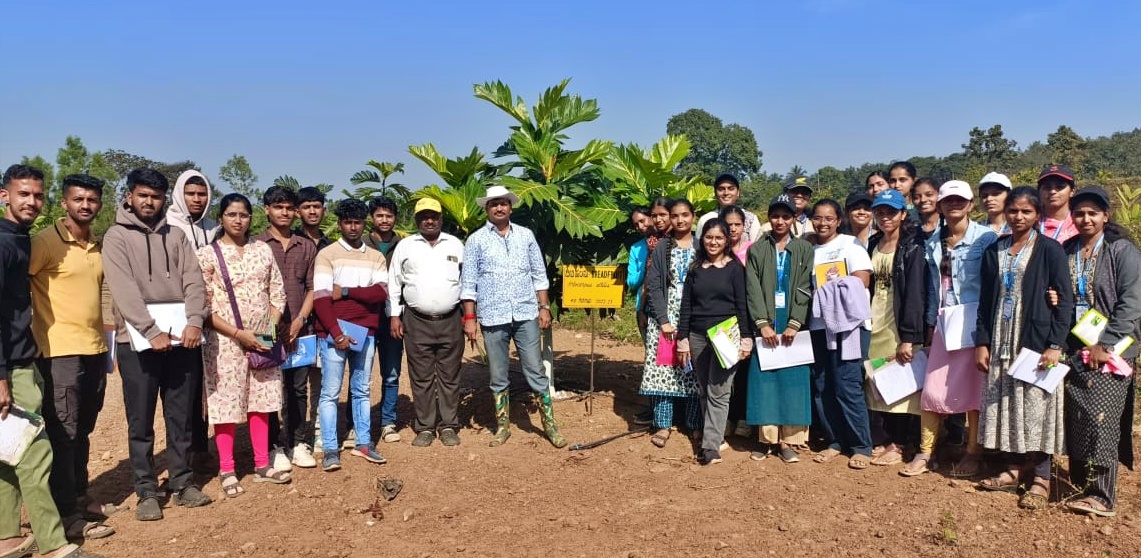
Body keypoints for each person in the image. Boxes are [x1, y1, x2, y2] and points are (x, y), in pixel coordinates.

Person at [1, 164, 105, 558]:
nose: (31, 201)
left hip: (85, 349)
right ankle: (59, 527)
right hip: (41, 356)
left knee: (70, 434)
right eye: (23, 194)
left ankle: (66, 504)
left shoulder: (91, 243)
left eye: (36, 195)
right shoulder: (30, 242)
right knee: (48, 443)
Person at [101, 168, 214, 520]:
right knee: (141, 419)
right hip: (136, 343)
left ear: (165, 198)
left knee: (180, 416)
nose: (150, 201)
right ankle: (147, 489)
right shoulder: (116, 237)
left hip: (182, 340)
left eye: (156, 196)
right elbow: (123, 290)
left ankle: (181, 482)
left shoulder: (177, 236)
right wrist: (150, 331)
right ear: (130, 196)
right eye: (143, 195)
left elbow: (193, 280)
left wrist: (195, 321)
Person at [974, 187, 1072, 509]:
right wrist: (982, 341)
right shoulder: (995, 250)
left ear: (1037, 215)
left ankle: (1041, 477)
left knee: (1037, 407)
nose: (1018, 217)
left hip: (1035, 340)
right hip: (1002, 339)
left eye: (1026, 212)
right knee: (1006, 404)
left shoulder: (1050, 250)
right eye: (1013, 211)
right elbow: (986, 300)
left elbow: (1065, 300)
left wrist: (1056, 344)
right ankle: (1012, 468)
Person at [28, 174, 115, 540]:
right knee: (63, 432)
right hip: (59, 350)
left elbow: (104, 291)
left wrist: (108, 339)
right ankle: (65, 514)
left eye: (92, 200)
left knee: (84, 429)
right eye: (78, 199)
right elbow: (17, 287)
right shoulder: (45, 243)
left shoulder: (96, 243)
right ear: (63, 203)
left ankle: (79, 494)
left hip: (94, 348)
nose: (85, 205)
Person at [197, 194, 292, 497]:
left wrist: (267, 330)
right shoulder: (207, 255)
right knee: (225, 403)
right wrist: (239, 334)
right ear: (221, 217)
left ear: (252, 218)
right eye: (231, 214)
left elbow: (277, 292)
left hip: (262, 339)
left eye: (244, 215)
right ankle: (227, 468)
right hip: (224, 343)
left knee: (261, 401)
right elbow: (204, 306)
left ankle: (262, 463)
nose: (238, 220)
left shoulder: (262, 250)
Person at [461, 186, 566, 448]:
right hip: (493, 315)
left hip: (525, 312)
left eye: (503, 203)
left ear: (510, 207)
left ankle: (550, 425)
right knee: (498, 374)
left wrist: (544, 307)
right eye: (494, 204)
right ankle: (502, 427)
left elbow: (538, 274)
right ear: (486, 209)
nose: (499, 208)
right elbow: (469, 283)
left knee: (534, 369)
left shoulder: (526, 236)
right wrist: (470, 318)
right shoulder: (476, 240)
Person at [1058, 186, 1140, 517]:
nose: (1086, 218)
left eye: (1093, 212)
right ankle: (1081, 483)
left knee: (1101, 417)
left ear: (1106, 215)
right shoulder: (1067, 250)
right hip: (1077, 345)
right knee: (1076, 414)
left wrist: (1106, 343)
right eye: (1079, 213)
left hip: (1114, 347)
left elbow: (1131, 302)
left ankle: (1102, 495)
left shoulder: (1122, 251)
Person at [908, 180, 997, 477]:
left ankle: (973, 453)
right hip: (945, 323)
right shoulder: (933, 241)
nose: (954, 206)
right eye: (949, 201)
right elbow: (934, 289)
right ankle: (925, 451)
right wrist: (930, 324)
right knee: (932, 389)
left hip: (973, 323)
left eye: (960, 201)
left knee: (974, 392)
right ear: (941, 206)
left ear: (971, 204)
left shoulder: (986, 238)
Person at [313, 198, 389, 470]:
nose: (353, 227)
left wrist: (345, 291)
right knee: (330, 392)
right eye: (348, 222)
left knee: (361, 390)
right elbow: (322, 299)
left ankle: (364, 442)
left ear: (363, 223)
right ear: (340, 224)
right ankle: (331, 448)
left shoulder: (375, 256)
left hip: (365, 332)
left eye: (357, 222)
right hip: (334, 334)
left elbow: (380, 293)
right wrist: (336, 332)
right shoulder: (328, 254)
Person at [676, 219, 753, 465]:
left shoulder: (735, 269)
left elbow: (743, 305)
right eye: (709, 237)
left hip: (726, 335)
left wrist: (746, 338)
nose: (713, 242)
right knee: (704, 390)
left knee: (719, 392)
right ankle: (716, 436)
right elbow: (686, 306)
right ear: (702, 239)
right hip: (698, 336)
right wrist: (683, 339)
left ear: (727, 240)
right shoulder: (695, 268)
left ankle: (710, 447)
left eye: (719, 238)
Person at [389, 198, 465, 447]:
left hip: (451, 319)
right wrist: (394, 315)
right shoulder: (406, 246)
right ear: (416, 220)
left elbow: (467, 282)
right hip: (416, 320)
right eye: (423, 217)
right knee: (421, 376)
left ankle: (449, 425)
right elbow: (394, 282)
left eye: (433, 216)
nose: (429, 220)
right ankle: (425, 427)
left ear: (441, 219)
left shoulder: (455, 244)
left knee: (449, 375)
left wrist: (469, 316)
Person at [744, 194, 814, 463]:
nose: (780, 221)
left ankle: (789, 441)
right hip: (767, 324)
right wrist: (762, 323)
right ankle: (766, 440)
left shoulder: (804, 249)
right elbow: (752, 287)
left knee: (793, 380)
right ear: (769, 217)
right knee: (765, 380)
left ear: (794, 218)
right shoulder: (757, 249)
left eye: (786, 216)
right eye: (775, 216)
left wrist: (796, 322)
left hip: (792, 325)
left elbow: (805, 287)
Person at [807, 199, 874, 469]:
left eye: (829, 218)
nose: (823, 223)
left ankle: (861, 445)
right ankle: (835, 441)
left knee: (848, 384)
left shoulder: (850, 244)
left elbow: (862, 280)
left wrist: (830, 288)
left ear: (838, 220)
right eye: (818, 217)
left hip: (849, 327)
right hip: (818, 326)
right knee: (822, 385)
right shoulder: (808, 248)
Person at [255, 186, 318, 469]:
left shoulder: (306, 246)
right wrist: (274, 326)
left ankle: (297, 442)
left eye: (289, 207)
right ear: (266, 209)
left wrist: (299, 321)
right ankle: (273, 446)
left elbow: (312, 288)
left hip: (299, 331)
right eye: (277, 206)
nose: (284, 212)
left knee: (297, 388)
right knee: (268, 390)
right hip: (265, 331)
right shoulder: (256, 246)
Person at [864, 189, 927, 468]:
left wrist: (909, 337)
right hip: (874, 319)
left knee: (903, 385)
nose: (885, 217)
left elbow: (915, 294)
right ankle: (886, 438)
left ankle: (901, 443)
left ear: (903, 214)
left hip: (898, 323)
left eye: (891, 212)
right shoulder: (873, 244)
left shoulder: (913, 247)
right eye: (880, 212)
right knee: (879, 381)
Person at [640, 199, 702, 448]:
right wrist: (663, 319)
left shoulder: (702, 243)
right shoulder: (663, 246)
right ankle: (663, 425)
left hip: (695, 319)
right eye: (675, 215)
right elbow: (653, 284)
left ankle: (695, 425)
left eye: (685, 215)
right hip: (666, 318)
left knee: (694, 371)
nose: (680, 220)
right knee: (663, 372)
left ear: (693, 217)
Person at [167, 170, 216, 472]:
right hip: (179, 316)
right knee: (182, 389)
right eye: (191, 194)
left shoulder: (213, 229)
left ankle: (201, 446)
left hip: (212, 318)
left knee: (204, 384)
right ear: (179, 195)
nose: (197, 199)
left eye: (202, 194)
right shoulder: (168, 225)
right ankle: (183, 454)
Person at [363, 196, 405, 446]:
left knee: (391, 373)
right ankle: (356, 422)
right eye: (379, 215)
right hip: (365, 316)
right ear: (372, 218)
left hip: (394, 318)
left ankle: (388, 421)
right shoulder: (361, 244)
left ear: (395, 219)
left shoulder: (404, 245)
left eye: (389, 216)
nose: (384, 220)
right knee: (361, 373)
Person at [293, 186, 330, 450]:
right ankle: (295, 436)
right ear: (298, 211)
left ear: (324, 210)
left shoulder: (332, 246)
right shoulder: (291, 242)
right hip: (297, 324)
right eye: (306, 206)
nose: (312, 211)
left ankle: (319, 431)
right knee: (294, 385)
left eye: (316, 206)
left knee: (322, 380)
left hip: (324, 324)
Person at [696, 174, 761, 242]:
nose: (726, 193)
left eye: (731, 189)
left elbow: (757, 248)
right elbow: (699, 248)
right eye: (721, 189)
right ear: (715, 193)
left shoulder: (750, 219)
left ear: (738, 192)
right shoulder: (706, 219)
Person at [625, 206, 655, 339]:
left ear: (652, 217)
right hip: (643, 307)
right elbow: (631, 281)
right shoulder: (636, 248)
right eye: (636, 224)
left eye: (642, 221)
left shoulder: (667, 242)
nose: (640, 226)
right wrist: (645, 267)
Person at [1037, 164, 1079, 243]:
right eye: (1047, 187)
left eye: (1060, 187)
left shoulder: (1080, 223)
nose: (1053, 191)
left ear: (1072, 191)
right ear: (1039, 191)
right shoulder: (1030, 222)